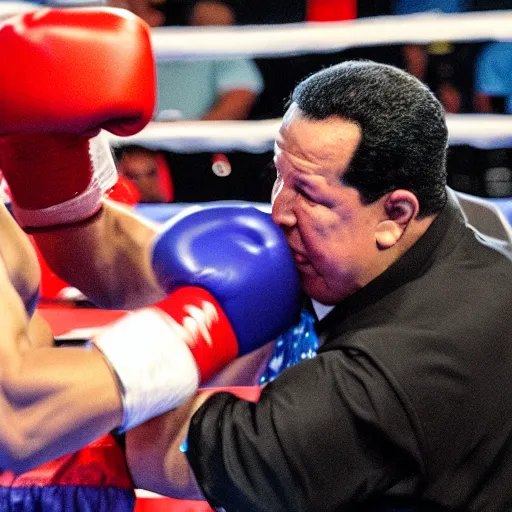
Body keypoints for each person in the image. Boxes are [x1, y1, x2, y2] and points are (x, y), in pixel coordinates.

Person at [121, 61, 512, 510]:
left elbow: (152, 454)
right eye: (278, 177)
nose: (278, 212)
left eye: (308, 193)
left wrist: (178, 338)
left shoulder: (377, 380)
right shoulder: (469, 224)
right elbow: (125, 262)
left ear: (396, 214)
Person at [0, 7, 301, 510]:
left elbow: (93, 252)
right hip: (31, 461)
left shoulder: (17, 109)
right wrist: (201, 325)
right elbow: (15, 420)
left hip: (59, 456)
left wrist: (236, 278)